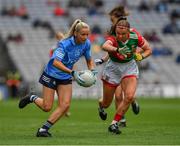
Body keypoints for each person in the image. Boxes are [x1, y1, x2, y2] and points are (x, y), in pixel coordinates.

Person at [18, 19, 97, 137]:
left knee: (65, 106)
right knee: (46, 107)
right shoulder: (64, 44)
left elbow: (89, 60)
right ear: (75, 33)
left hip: (65, 76)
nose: (85, 37)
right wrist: (73, 72)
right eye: (83, 34)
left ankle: (43, 130)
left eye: (87, 34)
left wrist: (93, 71)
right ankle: (32, 97)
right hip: (51, 74)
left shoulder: (87, 44)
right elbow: (55, 62)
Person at [100, 18, 152, 134]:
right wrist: (117, 49)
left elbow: (148, 50)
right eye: (118, 33)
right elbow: (105, 46)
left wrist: (141, 56)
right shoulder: (113, 37)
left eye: (123, 34)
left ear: (129, 32)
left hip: (129, 67)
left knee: (128, 97)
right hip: (113, 68)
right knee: (106, 103)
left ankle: (114, 123)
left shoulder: (136, 36)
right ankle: (101, 106)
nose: (120, 36)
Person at [95, 5, 140, 127]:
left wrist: (136, 55)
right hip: (114, 67)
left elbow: (133, 48)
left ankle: (120, 119)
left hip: (127, 66)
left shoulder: (130, 33)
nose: (112, 23)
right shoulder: (113, 34)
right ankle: (108, 109)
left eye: (112, 20)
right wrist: (103, 59)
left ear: (119, 19)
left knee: (126, 94)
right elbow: (112, 50)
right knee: (117, 96)